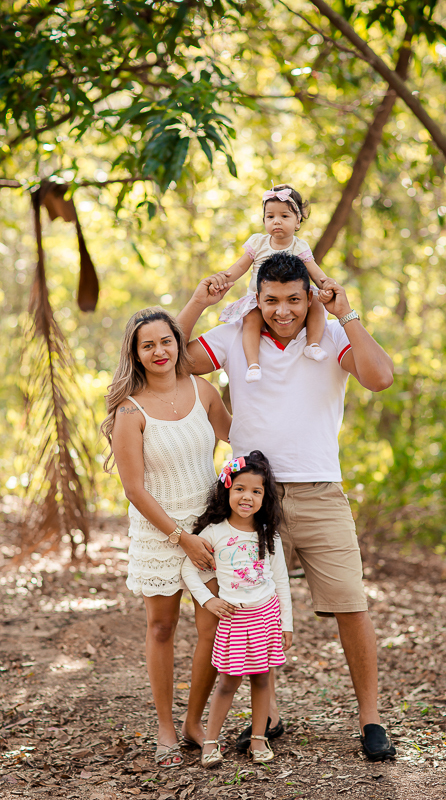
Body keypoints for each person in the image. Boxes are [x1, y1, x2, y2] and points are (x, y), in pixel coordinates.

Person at [177, 252, 397, 762]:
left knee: (350, 604)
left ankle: (371, 720)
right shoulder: (235, 338)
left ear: (308, 296)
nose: (283, 310)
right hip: (251, 499)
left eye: (294, 299)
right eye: (271, 300)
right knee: (248, 601)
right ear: (257, 298)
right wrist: (197, 301)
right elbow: (175, 358)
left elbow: (380, 377)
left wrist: (347, 314)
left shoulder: (331, 339)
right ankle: (267, 713)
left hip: (321, 491)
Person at [101, 307, 232, 768]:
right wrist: (181, 538)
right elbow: (134, 489)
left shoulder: (203, 391)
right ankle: (164, 726)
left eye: (166, 342)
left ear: (179, 344)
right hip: (159, 531)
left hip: (209, 528)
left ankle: (195, 721)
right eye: (148, 345)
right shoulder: (129, 410)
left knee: (212, 628)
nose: (159, 351)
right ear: (136, 354)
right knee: (161, 627)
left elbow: (240, 443)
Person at [181, 450, 292, 768]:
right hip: (235, 619)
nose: (248, 497)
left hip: (266, 616)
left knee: (261, 679)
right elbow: (189, 571)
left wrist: (287, 624)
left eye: (256, 491)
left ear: (264, 496)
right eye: (240, 488)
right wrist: (208, 600)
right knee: (228, 681)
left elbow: (281, 580)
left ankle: (259, 739)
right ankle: (211, 743)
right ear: (227, 489)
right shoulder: (214, 533)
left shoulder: (268, 534)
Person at [206, 184, 333, 383]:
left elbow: (315, 272)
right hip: (261, 300)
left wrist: (327, 286)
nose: (277, 222)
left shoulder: (299, 246)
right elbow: (240, 267)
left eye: (284, 216)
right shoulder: (258, 243)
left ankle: (313, 345)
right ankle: (253, 364)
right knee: (250, 321)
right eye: (270, 216)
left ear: (298, 221)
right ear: (264, 220)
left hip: (292, 298)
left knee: (316, 303)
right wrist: (224, 279)